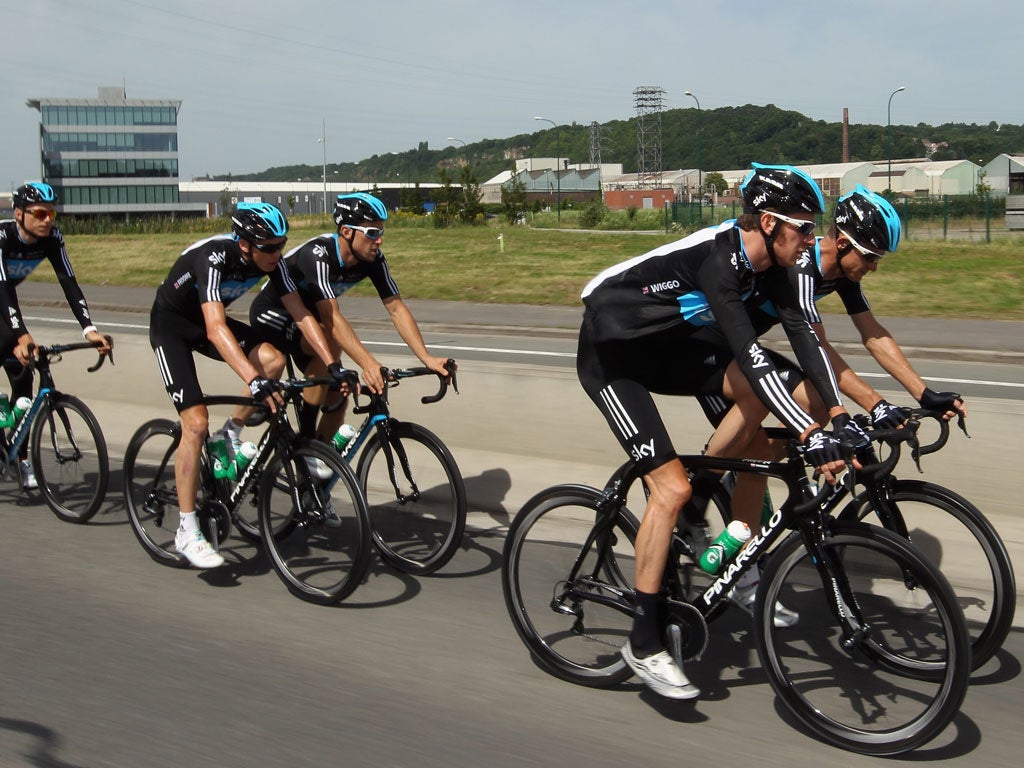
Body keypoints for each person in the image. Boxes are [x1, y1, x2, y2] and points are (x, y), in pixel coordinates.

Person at [576, 163, 854, 700]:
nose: (810, 241)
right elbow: (749, 356)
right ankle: (644, 640)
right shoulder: (721, 261)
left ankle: (706, 500)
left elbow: (803, 338)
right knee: (670, 487)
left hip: (668, 351)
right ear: (769, 224)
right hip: (613, 354)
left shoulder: (778, 266)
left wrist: (836, 419)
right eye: (801, 227)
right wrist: (808, 433)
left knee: (756, 396)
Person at [693, 186, 967, 543]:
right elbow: (816, 345)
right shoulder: (801, 267)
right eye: (870, 257)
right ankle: (694, 499)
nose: (874, 266)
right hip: (707, 352)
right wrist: (876, 405)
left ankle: (751, 489)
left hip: (741, 349)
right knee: (793, 422)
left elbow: (872, 333)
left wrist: (924, 393)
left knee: (805, 418)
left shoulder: (842, 273)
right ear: (842, 244)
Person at [149, 202, 341, 569]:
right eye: (268, 247)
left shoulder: (275, 262)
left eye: (281, 244)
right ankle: (187, 530)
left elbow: (301, 313)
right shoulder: (213, 257)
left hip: (207, 324)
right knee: (195, 423)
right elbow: (215, 328)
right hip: (172, 326)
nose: (277, 253)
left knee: (274, 360)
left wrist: (333, 365)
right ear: (244, 244)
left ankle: (231, 433)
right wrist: (251, 381)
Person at [224, 192, 451, 454]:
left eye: (381, 231)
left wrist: (427, 358)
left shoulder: (372, 258)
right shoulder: (318, 254)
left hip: (313, 327)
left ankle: (315, 472)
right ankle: (299, 442)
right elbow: (331, 317)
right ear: (346, 231)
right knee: (329, 342)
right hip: (273, 314)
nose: (379, 239)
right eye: (371, 232)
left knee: (340, 396)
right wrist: (369, 364)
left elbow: (396, 308)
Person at [0, 182, 112, 490]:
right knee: (17, 345)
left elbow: (69, 283)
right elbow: (4, 289)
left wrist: (89, 329)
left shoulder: (52, 239)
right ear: (19, 214)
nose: (47, 219)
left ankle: (19, 458)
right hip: (2, 298)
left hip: (2, 309)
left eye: (51, 213)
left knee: (23, 380)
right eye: (38, 213)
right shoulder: (3, 237)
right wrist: (21, 333)